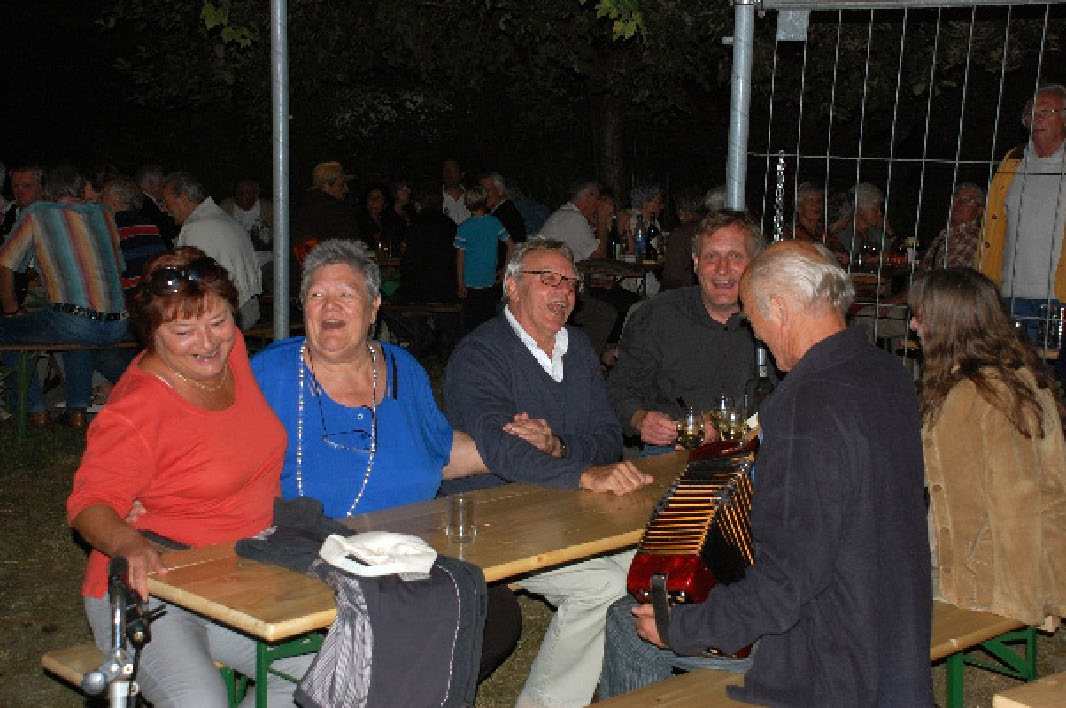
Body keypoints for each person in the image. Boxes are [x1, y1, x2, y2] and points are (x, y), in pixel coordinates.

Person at [601, 241, 932, 706]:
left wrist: (684, 627)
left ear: (778, 307)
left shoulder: (806, 405)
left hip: (828, 659)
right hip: (893, 637)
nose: (758, 336)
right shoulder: (886, 373)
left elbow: (785, 585)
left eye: (754, 321)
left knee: (630, 622)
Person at [249, 239, 543, 679]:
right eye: (316, 294)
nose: (330, 306)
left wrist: (517, 444)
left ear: (374, 308)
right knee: (421, 635)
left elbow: (439, 451)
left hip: (408, 552)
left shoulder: (403, 367)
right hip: (316, 559)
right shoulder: (270, 374)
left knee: (494, 614)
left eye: (346, 294)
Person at [66, 248, 311, 707]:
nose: (207, 342)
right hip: (157, 587)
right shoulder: (136, 411)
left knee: (330, 672)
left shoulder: (231, 353)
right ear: (151, 332)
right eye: (182, 332)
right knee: (200, 700)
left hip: (240, 576)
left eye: (218, 321)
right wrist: (126, 541)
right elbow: (88, 504)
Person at [441, 239, 653, 708]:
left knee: (644, 563)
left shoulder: (578, 349)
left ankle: (619, 686)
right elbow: (501, 452)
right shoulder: (481, 354)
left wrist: (560, 446)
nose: (563, 292)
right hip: (491, 515)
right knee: (602, 586)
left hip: (563, 506)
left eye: (570, 283)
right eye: (548, 279)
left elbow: (607, 437)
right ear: (512, 286)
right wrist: (583, 475)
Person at [909, 267, 1066, 626]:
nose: (914, 325)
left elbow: (1014, 503)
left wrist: (1022, 597)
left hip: (984, 580)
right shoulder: (1019, 375)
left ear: (950, 324)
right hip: (1029, 565)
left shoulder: (975, 395)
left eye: (921, 316)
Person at [607, 211, 767, 453]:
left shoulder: (773, 319)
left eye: (735, 256)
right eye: (711, 257)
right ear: (696, 263)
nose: (722, 269)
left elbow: (793, 401)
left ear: (754, 263)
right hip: (674, 450)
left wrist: (735, 428)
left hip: (756, 447)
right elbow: (619, 390)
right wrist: (639, 419)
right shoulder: (658, 316)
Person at [0, 164, 128, 428]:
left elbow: (5, 264)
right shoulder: (104, 213)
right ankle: (76, 411)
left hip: (76, 322)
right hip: (118, 323)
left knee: (7, 330)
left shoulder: (37, 213)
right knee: (74, 326)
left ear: (46, 189)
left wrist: (11, 310)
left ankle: (33, 409)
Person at [977, 84, 1066, 334]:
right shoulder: (1013, 160)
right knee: (1011, 359)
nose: (1036, 118)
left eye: (1046, 111)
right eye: (1031, 113)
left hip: (1060, 297)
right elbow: (991, 228)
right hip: (1010, 295)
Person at [164, 172, 263, 328]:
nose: (166, 210)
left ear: (182, 199)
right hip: (247, 307)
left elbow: (190, 282)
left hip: (230, 314)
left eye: (167, 203)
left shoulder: (196, 226)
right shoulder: (221, 217)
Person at [454, 184, 514, 332]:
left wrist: (460, 282)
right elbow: (511, 245)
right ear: (485, 201)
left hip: (470, 283)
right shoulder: (494, 223)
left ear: (467, 204)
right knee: (488, 323)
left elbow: (460, 258)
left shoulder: (463, 228)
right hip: (489, 281)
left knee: (471, 324)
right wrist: (505, 268)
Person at [292, 161, 362, 266]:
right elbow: (351, 244)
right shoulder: (334, 210)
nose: (346, 189)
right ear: (326, 186)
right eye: (341, 185)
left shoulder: (301, 207)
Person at [921, 183, 985, 270]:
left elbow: (949, 276)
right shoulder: (943, 236)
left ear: (979, 210)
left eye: (968, 201)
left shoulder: (973, 240)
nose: (959, 204)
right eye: (956, 198)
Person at [537, 180, 602, 261]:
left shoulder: (564, 214)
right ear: (588, 197)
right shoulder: (574, 218)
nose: (598, 204)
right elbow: (599, 257)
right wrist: (602, 220)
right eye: (597, 199)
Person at [221, 178, 274, 250]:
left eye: (248, 192)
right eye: (239, 193)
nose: (243, 196)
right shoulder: (225, 208)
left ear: (256, 194)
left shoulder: (268, 210)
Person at [355, 182, 406, 255]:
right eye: (370, 197)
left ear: (384, 202)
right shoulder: (359, 222)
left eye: (377, 198)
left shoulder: (389, 221)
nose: (373, 201)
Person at [442, 157, 470, 225]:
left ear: (462, 173)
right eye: (445, 170)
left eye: (452, 169)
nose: (448, 173)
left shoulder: (471, 197)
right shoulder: (436, 199)